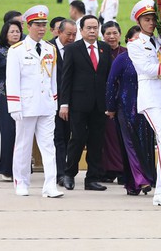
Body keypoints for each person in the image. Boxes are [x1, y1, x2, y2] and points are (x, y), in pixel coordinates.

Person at [127, 0, 161, 207]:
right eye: (147, 19)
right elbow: (147, 69)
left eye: (153, 19)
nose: (151, 23)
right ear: (139, 22)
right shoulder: (135, 45)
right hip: (149, 95)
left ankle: (160, 192)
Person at [6, 5, 63, 198]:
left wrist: (54, 102)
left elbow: (53, 79)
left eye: (44, 25)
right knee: (23, 145)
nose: (41, 28)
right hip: (26, 105)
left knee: (49, 146)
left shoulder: (50, 49)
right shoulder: (17, 50)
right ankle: (21, 181)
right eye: (37, 25)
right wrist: (14, 105)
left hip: (46, 105)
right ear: (28, 26)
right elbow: (12, 80)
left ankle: (50, 184)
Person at [59, 15, 112, 192]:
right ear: (81, 30)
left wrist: (111, 103)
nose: (92, 31)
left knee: (97, 142)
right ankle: (69, 173)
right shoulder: (73, 49)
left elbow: (109, 78)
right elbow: (66, 78)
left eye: (95, 28)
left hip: (100, 104)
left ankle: (92, 178)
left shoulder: (104, 48)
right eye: (88, 28)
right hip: (78, 103)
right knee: (78, 138)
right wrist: (64, 104)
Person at [105, 25, 155, 196]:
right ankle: (141, 180)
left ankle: (133, 184)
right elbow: (111, 84)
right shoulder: (122, 59)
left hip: (147, 107)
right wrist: (111, 107)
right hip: (126, 108)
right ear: (128, 41)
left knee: (146, 145)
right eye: (135, 39)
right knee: (130, 144)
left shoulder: (151, 58)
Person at [0, 20, 23, 180]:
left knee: (22, 133)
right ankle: (5, 168)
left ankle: (20, 167)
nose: (15, 34)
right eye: (12, 32)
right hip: (4, 96)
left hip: (23, 96)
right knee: (8, 132)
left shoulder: (25, 51)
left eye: (17, 31)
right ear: (5, 34)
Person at [50, 19, 77, 186]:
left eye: (75, 34)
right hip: (52, 101)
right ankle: (60, 173)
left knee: (67, 138)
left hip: (71, 102)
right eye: (68, 34)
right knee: (58, 138)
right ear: (58, 32)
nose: (72, 38)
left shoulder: (75, 49)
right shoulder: (48, 49)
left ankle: (64, 171)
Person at [100, 21, 125, 183]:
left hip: (124, 101)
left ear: (120, 35)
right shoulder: (100, 53)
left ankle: (124, 171)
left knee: (122, 136)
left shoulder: (125, 53)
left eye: (114, 33)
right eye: (108, 33)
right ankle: (108, 170)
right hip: (105, 101)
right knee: (107, 137)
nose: (111, 37)